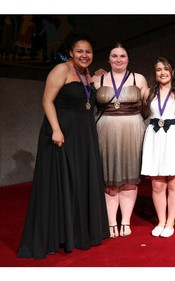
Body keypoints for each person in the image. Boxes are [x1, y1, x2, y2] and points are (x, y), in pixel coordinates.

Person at [17, 31, 109, 259]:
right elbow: (47, 100)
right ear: (70, 52)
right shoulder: (61, 70)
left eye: (88, 52)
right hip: (62, 135)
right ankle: (60, 235)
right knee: (63, 183)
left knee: (78, 182)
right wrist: (56, 130)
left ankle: (78, 233)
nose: (85, 55)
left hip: (83, 137)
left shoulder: (87, 74)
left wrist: (100, 76)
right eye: (79, 51)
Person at [92, 43, 148, 238]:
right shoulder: (97, 78)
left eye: (122, 55)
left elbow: (149, 106)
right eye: (114, 56)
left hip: (133, 132)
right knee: (109, 179)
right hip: (104, 133)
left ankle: (125, 220)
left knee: (129, 179)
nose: (118, 59)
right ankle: (110, 222)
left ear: (128, 58)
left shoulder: (138, 78)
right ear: (108, 59)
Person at [141, 56, 175, 238]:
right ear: (155, 73)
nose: (162, 72)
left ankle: (170, 222)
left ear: (172, 72)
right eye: (159, 69)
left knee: (174, 182)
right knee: (157, 183)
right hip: (154, 136)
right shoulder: (149, 92)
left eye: (166, 69)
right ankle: (161, 221)